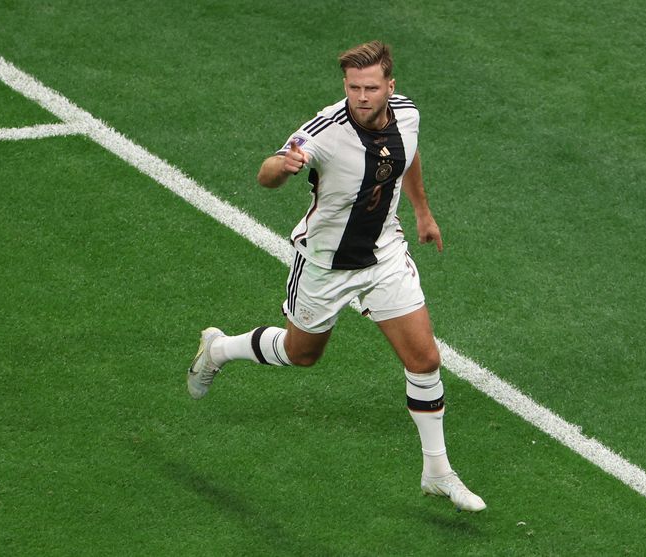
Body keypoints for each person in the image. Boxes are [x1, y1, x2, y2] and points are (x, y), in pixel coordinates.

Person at [188, 41, 485, 512]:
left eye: (370, 87)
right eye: (353, 87)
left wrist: (423, 212)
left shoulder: (407, 114)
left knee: (425, 359)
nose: (361, 96)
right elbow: (266, 174)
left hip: (384, 256)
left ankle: (438, 471)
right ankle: (219, 348)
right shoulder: (323, 130)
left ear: (390, 85)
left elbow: (406, 157)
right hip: (325, 263)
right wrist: (282, 168)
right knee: (301, 354)